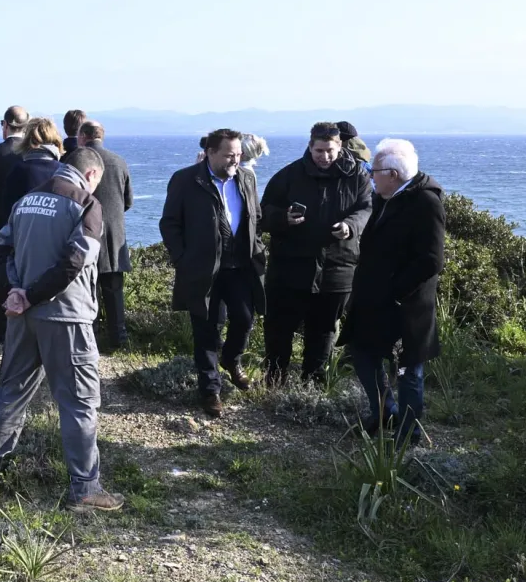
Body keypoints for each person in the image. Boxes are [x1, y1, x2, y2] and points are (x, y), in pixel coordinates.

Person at [0, 147, 124, 512]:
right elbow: (75, 259)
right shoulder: (86, 204)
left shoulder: (25, 202)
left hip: (21, 317)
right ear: (91, 176)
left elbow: (1, 249)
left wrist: (16, 294)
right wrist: (33, 294)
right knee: (79, 403)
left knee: (11, 393)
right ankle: (85, 488)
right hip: (67, 316)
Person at [340, 138, 445, 443]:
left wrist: (396, 291)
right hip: (374, 299)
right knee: (363, 354)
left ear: (393, 175)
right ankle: (386, 411)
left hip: (406, 304)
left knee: (407, 369)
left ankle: (408, 432)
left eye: (374, 171)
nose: (370, 175)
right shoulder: (386, 197)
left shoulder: (425, 202)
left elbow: (431, 259)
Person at [159, 129, 267, 418]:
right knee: (207, 329)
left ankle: (231, 360)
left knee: (245, 319)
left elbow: (255, 216)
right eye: (229, 154)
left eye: (238, 154)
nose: (236, 159)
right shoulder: (186, 179)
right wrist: (182, 259)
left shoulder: (247, 178)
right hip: (203, 270)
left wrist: (257, 247)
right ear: (210, 153)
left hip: (241, 267)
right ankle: (210, 390)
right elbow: (169, 223)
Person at [260, 122, 372, 385]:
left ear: (340, 145)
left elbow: (366, 208)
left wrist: (351, 226)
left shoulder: (357, 176)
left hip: (337, 270)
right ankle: (274, 385)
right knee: (278, 331)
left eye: (330, 150)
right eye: (319, 150)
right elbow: (263, 213)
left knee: (322, 334)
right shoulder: (288, 175)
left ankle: (313, 389)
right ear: (310, 146)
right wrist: (283, 218)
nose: (325, 156)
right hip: (289, 269)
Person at [77, 120, 133, 350]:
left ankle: (89, 336)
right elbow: (128, 201)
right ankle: (119, 339)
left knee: (86, 288)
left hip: (85, 231)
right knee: (113, 290)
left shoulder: (78, 160)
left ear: (83, 136)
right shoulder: (119, 161)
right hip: (114, 233)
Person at [0, 105, 31, 342]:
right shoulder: (31, 152)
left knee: (1, 274)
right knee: (27, 272)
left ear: (5, 125)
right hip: (27, 222)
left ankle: (3, 327)